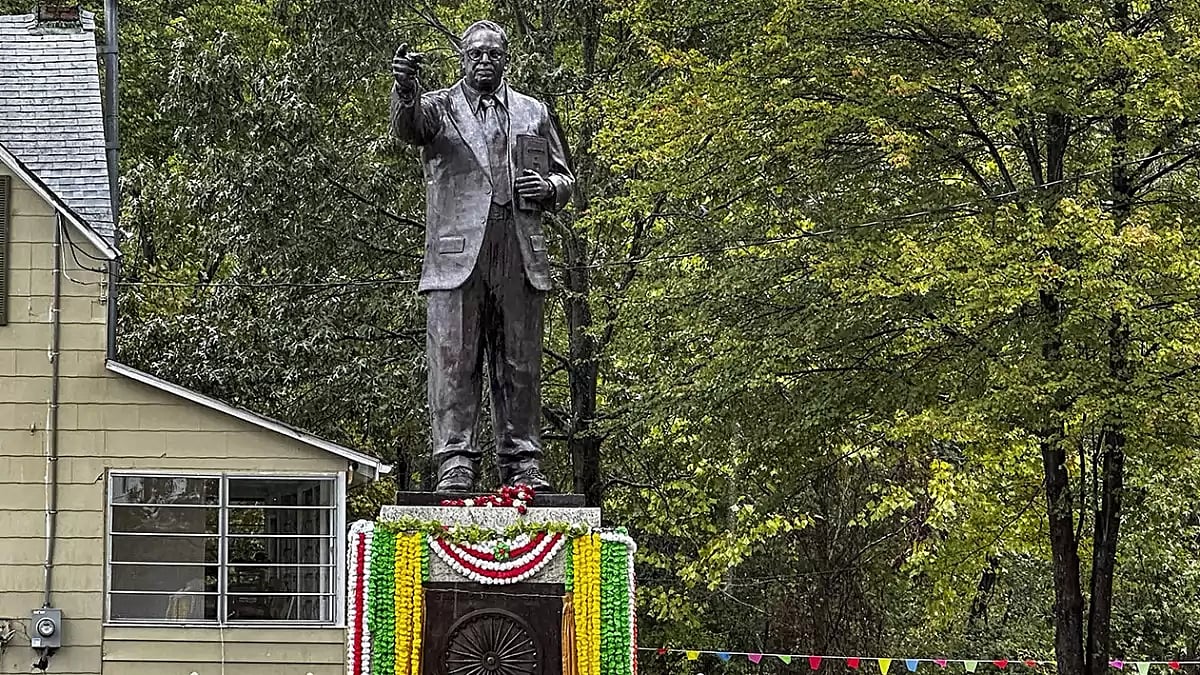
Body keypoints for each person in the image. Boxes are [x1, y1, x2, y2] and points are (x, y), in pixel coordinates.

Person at [390, 20, 575, 493]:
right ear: (463, 59)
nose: (485, 61)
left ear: (506, 59)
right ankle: (454, 460)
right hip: (457, 257)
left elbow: (564, 177)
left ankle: (522, 462)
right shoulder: (438, 108)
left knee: (520, 362)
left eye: (494, 54)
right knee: (454, 361)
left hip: (518, 249)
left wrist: (550, 187)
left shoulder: (533, 111)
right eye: (477, 54)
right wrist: (405, 88)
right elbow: (407, 128)